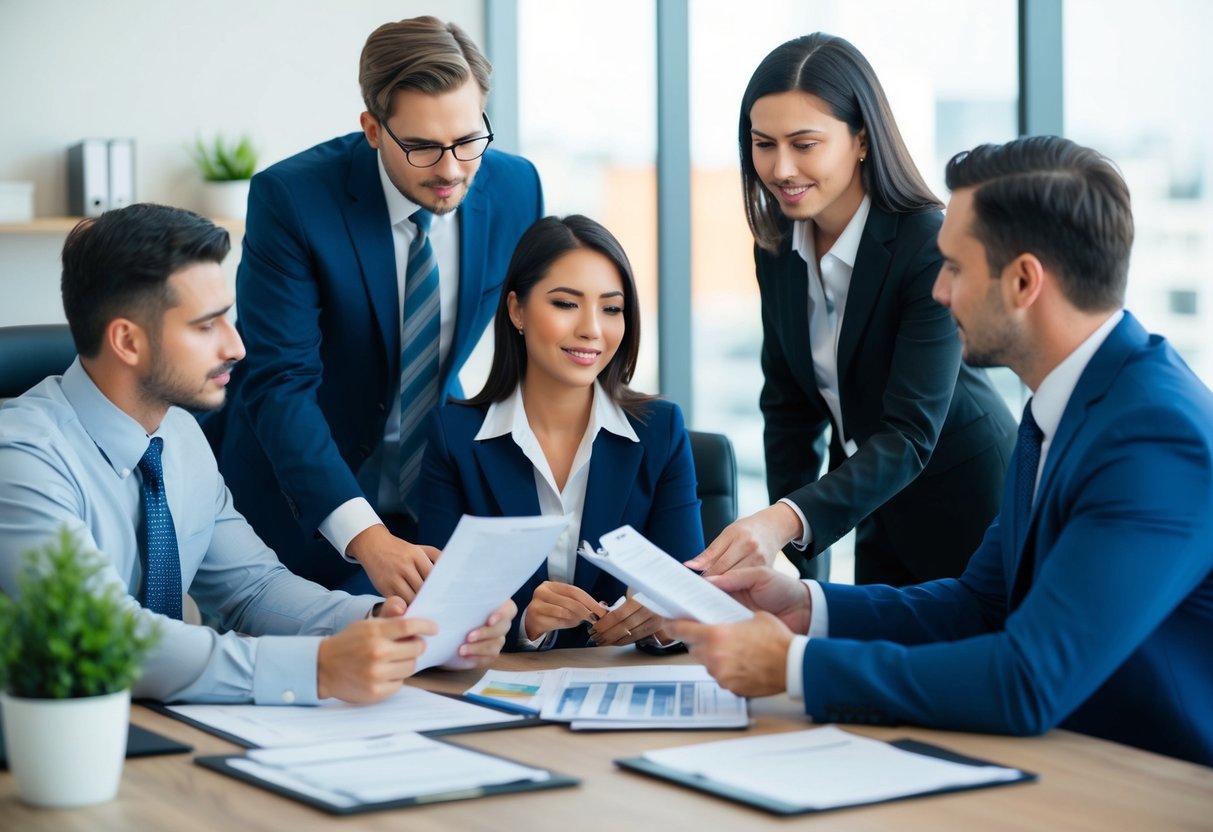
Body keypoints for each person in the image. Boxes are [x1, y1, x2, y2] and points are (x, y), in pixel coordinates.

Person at [668, 136, 1213, 767]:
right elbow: (980, 604)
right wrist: (807, 609)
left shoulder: (1154, 437)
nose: (937, 291)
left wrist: (793, 666)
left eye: (953, 267)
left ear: (1023, 281)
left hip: (1149, 780)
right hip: (1072, 760)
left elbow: (1028, 680)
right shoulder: (1061, 405)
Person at [0, 204, 514, 704]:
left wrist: (388, 626)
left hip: (161, 730)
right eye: (207, 325)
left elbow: (253, 589)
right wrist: (318, 668)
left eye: (230, 319)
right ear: (127, 342)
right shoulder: (22, 459)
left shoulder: (179, 435)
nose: (237, 348)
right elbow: (103, 636)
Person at [202, 16, 544, 598]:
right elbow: (280, 383)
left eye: (468, 141)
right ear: (373, 129)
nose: (451, 170)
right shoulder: (293, 199)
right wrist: (365, 534)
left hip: (433, 499)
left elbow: (532, 346)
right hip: (299, 507)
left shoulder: (516, 188)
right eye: (422, 146)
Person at [690, 33, 1015, 585]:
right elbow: (789, 413)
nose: (781, 168)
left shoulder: (924, 244)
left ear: (861, 138)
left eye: (804, 144)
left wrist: (782, 521)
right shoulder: (777, 248)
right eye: (764, 144)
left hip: (966, 503)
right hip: (873, 508)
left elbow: (909, 433)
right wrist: (796, 570)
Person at [417, 216, 704, 650]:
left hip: (625, 683)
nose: (591, 329)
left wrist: (664, 624)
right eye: (566, 304)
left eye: (611, 309)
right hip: (502, 682)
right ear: (517, 310)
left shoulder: (661, 431)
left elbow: (687, 601)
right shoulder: (453, 438)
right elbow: (440, 615)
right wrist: (524, 625)